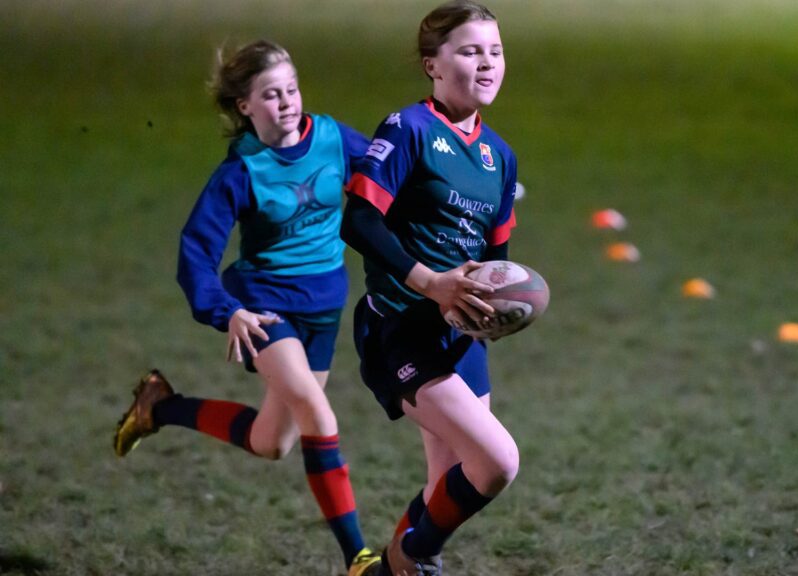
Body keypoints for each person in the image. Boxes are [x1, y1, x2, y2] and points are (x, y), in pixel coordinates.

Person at [113, 39, 381, 576]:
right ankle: (358, 558)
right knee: (318, 413)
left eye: (291, 89)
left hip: (323, 308)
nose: (286, 102)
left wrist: (467, 187)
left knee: (271, 442)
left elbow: (390, 169)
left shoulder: (331, 138)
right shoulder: (241, 171)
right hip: (264, 306)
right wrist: (226, 311)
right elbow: (195, 254)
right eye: (271, 95)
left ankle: (159, 406)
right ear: (245, 107)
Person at [340, 2, 519, 574]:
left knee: (447, 485)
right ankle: (413, 556)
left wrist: (500, 306)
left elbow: (496, 260)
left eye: (494, 50)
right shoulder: (408, 129)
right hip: (400, 327)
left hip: (461, 337)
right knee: (496, 462)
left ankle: (401, 564)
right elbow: (359, 221)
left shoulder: (501, 158)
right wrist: (431, 283)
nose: (487, 62)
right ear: (432, 66)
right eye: (469, 51)